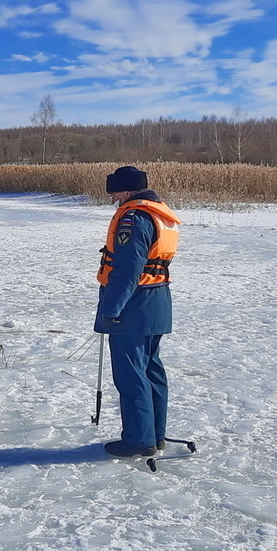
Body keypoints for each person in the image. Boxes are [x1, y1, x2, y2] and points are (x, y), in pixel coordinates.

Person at [95, 166, 183, 457]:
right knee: (151, 371)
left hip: (133, 305)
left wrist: (111, 308)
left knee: (132, 374)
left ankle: (138, 439)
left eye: (116, 191)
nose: (112, 197)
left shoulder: (134, 218)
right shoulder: (159, 213)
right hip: (157, 302)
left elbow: (128, 269)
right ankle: (154, 435)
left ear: (129, 191)